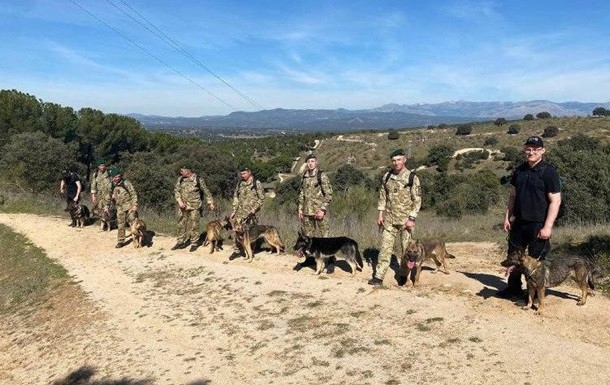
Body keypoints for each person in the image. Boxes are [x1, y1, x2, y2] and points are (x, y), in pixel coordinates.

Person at [497, 136, 561, 298]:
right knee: (514, 256)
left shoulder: (549, 172)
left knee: (536, 261)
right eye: (528, 148)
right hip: (519, 222)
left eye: (535, 149)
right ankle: (513, 288)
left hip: (538, 223)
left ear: (542, 151)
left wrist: (547, 227)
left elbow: (555, 201)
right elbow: (513, 196)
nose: (531, 152)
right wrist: (507, 217)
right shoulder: (520, 170)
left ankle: (533, 294)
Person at [369, 149, 422, 286]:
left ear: (404, 160)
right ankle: (379, 277)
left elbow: (417, 200)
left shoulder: (412, 177)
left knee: (407, 251)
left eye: (399, 160)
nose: (396, 163)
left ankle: (403, 274)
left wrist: (412, 218)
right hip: (390, 220)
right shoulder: (387, 176)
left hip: (406, 221)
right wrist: (381, 213)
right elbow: (383, 195)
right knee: (385, 249)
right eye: (393, 160)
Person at [295, 153, 333, 270]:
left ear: (316, 163)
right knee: (308, 238)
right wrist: (300, 208)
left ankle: (330, 261)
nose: (310, 163)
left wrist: (322, 209)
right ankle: (310, 259)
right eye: (308, 161)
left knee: (325, 237)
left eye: (312, 161)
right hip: (307, 212)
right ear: (306, 163)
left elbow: (329, 194)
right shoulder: (304, 177)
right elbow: (302, 193)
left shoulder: (322, 176)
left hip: (319, 212)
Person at [173, 167, 215, 252]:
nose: (181, 173)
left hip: (195, 206)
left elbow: (206, 191)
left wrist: (210, 202)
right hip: (183, 206)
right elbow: (176, 190)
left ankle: (194, 243)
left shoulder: (198, 179)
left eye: (182, 171)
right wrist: (179, 201)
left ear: (188, 171)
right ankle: (180, 242)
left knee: (194, 224)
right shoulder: (180, 179)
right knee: (181, 223)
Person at [110, 168, 139, 248]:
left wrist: (135, 204)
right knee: (120, 224)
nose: (117, 178)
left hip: (129, 206)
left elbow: (133, 193)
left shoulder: (126, 183)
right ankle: (121, 241)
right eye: (115, 177)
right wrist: (113, 197)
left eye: (118, 177)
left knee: (134, 223)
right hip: (119, 207)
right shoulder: (113, 184)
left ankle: (137, 238)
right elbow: (112, 193)